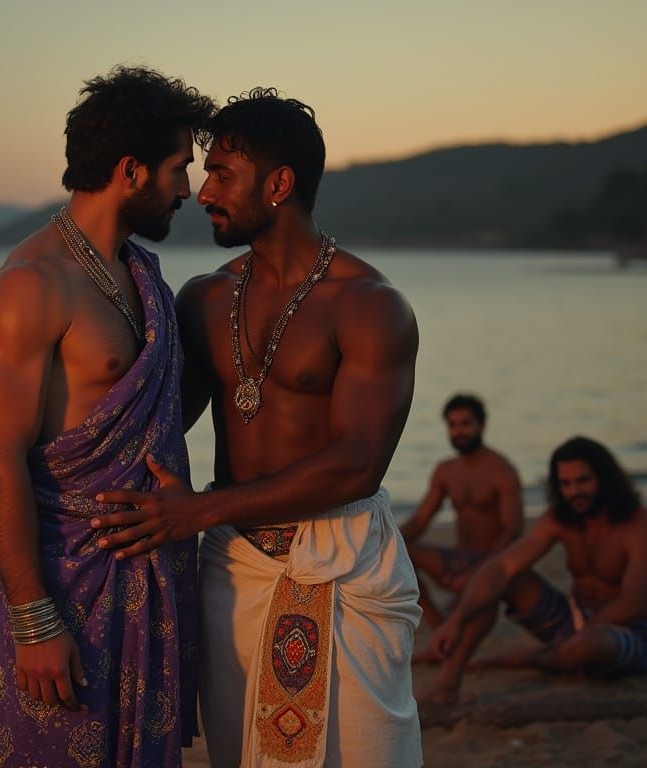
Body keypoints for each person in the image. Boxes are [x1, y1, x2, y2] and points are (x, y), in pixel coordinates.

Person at [94, 89, 422, 767]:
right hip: (236, 569)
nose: (202, 190)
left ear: (278, 184)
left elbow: (358, 463)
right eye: (204, 172)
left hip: (343, 560)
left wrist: (199, 512)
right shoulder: (205, 298)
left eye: (221, 175)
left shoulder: (370, 306)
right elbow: (155, 425)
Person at [0, 66, 214, 767]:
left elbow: (145, 411)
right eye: (177, 169)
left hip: (153, 572)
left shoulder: (144, 276)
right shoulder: (29, 288)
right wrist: (33, 619)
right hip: (64, 587)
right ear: (131, 171)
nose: (187, 190)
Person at [426, 436, 647, 705]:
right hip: (573, 619)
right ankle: (446, 686)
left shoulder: (642, 525)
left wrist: (579, 638)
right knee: (497, 579)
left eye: (583, 481)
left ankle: (529, 659)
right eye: (566, 484)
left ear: (605, 478)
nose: (574, 491)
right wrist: (455, 621)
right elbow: (501, 568)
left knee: (586, 646)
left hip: (627, 632)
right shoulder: (560, 518)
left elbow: (634, 602)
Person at [399, 394, 522, 636]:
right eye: (452, 425)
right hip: (456, 559)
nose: (459, 431)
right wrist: (387, 543)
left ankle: (458, 615)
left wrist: (482, 570)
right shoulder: (446, 471)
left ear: (482, 425)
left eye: (466, 424)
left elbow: (512, 530)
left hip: (491, 562)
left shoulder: (501, 471)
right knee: (400, 554)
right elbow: (419, 522)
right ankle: (439, 628)